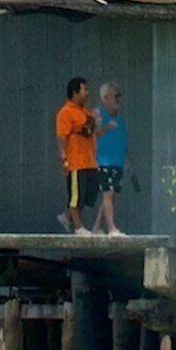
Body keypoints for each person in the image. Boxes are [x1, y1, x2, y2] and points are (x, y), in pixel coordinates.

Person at [55, 77, 98, 233]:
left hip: (89, 160)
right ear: (75, 93)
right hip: (76, 161)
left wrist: (94, 120)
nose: (87, 93)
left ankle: (66, 216)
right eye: (84, 89)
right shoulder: (65, 112)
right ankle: (78, 227)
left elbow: (89, 132)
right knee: (76, 196)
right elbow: (62, 137)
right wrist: (64, 158)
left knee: (88, 194)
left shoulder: (85, 112)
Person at [92, 81, 129, 233]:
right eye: (116, 96)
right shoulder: (98, 114)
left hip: (117, 161)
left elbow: (123, 139)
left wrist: (126, 158)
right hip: (103, 161)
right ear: (106, 97)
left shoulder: (120, 117)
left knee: (111, 195)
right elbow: (91, 134)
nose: (118, 99)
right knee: (108, 194)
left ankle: (97, 227)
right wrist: (106, 128)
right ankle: (112, 228)